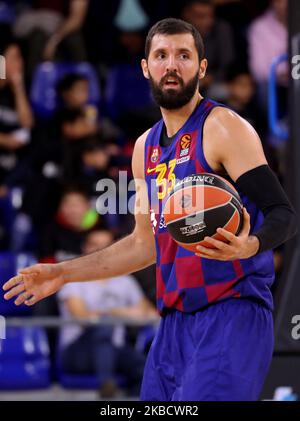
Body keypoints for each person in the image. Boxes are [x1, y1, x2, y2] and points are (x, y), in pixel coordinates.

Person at [3, 18, 297, 401]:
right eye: (161, 55)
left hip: (231, 312)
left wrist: (251, 245)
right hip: (174, 322)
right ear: (146, 67)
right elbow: (144, 245)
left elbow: (283, 214)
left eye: (183, 55)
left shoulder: (223, 127)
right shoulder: (146, 148)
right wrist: (63, 272)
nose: (171, 65)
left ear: (201, 68)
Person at [58, 228, 157, 398]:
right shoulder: (73, 280)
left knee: (144, 367)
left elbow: (151, 314)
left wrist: (112, 312)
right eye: (94, 245)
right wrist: (121, 313)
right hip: (78, 352)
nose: (99, 251)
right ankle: (106, 385)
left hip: (114, 349)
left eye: (106, 246)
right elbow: (83, 317)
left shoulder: (125, 281)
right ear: (84, 248)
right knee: (103, 329)